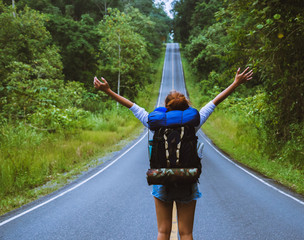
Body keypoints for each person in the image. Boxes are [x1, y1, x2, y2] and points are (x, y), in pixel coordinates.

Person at [93, 67, 253, 240]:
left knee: (163, 231)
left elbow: (132, 106)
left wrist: (107, 90)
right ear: (186, 107)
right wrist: (236, 83)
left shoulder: (155, 123)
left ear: (166, 107)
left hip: (162, 179)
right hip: (187, 178)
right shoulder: (193, 123)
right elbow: (214, 102)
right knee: (186, 233)